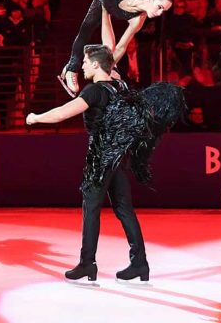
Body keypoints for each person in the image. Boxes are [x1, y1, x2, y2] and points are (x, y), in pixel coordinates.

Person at [26, 44, 184, 283]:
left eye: (87, 62)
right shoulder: (120, 85)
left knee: (91, 208)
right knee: (124, 209)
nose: (83, 66)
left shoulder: (93, 91)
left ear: (97, 65)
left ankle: (87, 263)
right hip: (119, 155)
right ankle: (139, 263)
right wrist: (104, 11)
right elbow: (112, 51)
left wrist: (35, 118)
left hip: (100, 157)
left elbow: (62, 113)